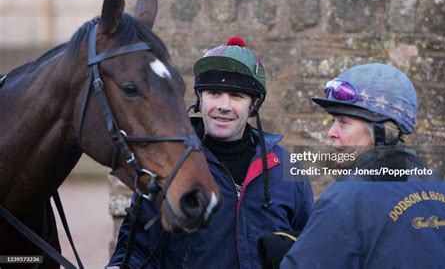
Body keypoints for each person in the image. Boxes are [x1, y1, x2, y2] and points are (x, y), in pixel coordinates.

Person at [108, 36, 314, 268]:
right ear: (200, 99)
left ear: (253, 105)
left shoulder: (287, 167)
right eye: (214, 93)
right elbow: (136, 251)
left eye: (237, 96)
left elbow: (310, 246)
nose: (224, 106)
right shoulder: (168, 165)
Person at [276, 63, 445, 268]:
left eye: (343, 122)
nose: (331, 132)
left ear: (379, 131)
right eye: (333, 120)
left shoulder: (345, 200)